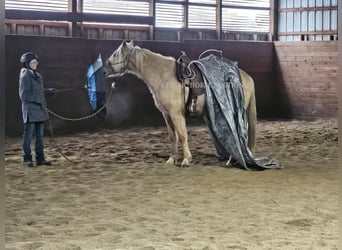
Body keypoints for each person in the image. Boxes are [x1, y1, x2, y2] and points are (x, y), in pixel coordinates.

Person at [19, 52, 56, 167]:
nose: (35, 64)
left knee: (40, 136)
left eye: (36, 62)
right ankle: (27, 159)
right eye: (33, 62)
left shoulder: (38, 76)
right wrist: (38, 100)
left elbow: (39, 92)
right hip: (30, 110)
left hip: (40, 110)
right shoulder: (25, 76)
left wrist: (49, 91)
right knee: (28, 136)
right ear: (27, 64)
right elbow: (24, 95)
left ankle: (40, 159)